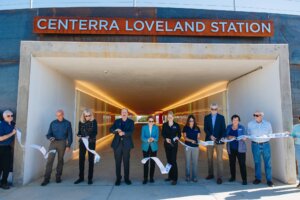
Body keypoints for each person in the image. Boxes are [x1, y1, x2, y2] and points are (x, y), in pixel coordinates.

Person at [41, 109, 73, 186]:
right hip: (53, 143)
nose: (58, 117)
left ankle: (58, 177)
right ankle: (46, 179)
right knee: (50, 160)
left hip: (62, 143)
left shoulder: (68, 123)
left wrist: (68, 145)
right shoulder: (53, 123)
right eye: (57, 115)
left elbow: (70, 135)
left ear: (63, 114)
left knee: (60, 160)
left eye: (60, 115)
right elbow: (48, 134)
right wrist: (50, 137)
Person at [247, 111, 274, 187]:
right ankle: (258, 179)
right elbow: (248, 134)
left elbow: (270, 134)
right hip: (255, 145)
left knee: (268, 163)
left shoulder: (268, 124)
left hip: (265, 145)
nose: (256, 116)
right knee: (257, 162)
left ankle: (269, 180)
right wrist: (253, 137)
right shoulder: (250, 124)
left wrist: (265, 137)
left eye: (257, 115)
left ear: (262, 116)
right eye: (254, 115)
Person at [110, 108, 134, 186]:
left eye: (125, 112)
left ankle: (126, 178)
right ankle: (118, 179)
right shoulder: (117, 121)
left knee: (126, 162)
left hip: (127, 145)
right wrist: (115, 130)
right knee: (118, 162)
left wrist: (123, 133)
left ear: (127, 113)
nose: (124, 113)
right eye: (122, 112)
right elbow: (111, 129)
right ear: (121, 113)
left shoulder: (131, 122)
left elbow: (131, 132)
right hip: (117, 145)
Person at [204, 103, 226, 184]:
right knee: (209, 158)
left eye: (215, 109)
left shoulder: (221, 117)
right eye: (212, 109)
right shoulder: (206, 117)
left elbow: (224, 129)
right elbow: (205, 129)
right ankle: (210, 174)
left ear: (217, 109)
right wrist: (210, 136)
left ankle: (219, 177)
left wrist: (220, 138)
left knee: (220, 159)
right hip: (209, 140)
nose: (214, 111)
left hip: (219, 141)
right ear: (210, 109)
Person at [74, 109, 98, 185]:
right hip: (82, 143)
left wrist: (88, 136)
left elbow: (95, 132)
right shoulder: (81, 122)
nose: (87, 117)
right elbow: (79, 132)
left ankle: (90, 178)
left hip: (91, 143)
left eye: (89, 115)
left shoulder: (94, 121)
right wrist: (78, 135)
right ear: (83, 115)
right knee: (81, 160)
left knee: (91, 160)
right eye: (86, 115)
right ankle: (81, 178)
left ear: (91, 115)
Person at [226, 114, 247, 185]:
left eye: (237, 120)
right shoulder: (228, 127)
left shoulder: (242, 127)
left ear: (239, 121)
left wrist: (244, 138)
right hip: (231, 149)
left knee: (242, 164)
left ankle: (244, 179)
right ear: (232, 121)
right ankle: (233, 177)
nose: (235, 121)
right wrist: (230, 136)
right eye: (234, 120)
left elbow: (245, 136)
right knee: (232, 164)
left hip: (240, 149)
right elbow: (225, 136)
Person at [162, 111, 181, 185]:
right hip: (167, 145)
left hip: (174, 145)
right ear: (167, 117)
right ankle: (170, 176)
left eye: (171, 117)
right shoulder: (165, 125)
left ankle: (175, 178)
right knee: (169, 161)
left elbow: (179, 134)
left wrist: (177, 137)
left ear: (173, 117)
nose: (170, 118)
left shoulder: (176, 125)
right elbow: (163, 133)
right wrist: (166, 138)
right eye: (169, 117)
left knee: (173, 161)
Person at [141, 116, 159, 184]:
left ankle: (151, 178)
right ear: (147, 121)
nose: (151, 122)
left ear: (154, 122)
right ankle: (145, 178)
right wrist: (147, 140)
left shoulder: (156, 128)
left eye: (152, 121)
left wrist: (153, 139)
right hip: (145, 147)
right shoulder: (144, 128)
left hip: (154, 147)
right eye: (149, 121)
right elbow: (142, 137)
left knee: (152, 163)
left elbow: (157, 137)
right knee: (145, 163)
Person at [0, 110, 16, 190]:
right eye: (8, 116)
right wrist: (12, 134)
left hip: (8, 148)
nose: (11, 117)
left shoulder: (12, 124)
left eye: (11, 115)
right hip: (1, 147)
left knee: (6, 167)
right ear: (4, 117)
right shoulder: (1, 125)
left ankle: (4, 183)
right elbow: (0, 138)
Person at [182, 115, 201, 183]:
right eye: (190, 121)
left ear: (194, 121)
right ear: (188, 121)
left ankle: (194, 177)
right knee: (187, 162)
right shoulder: (185, 128)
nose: (191, 122)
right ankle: (187, 176)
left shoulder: (197, 128)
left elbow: (198, 137)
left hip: (195, 147)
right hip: (188, 146)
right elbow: (185, 137)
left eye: (192, 121)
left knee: (195, 163)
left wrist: (198, 140)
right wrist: (191, 141)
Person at [291, 116, 300, 188]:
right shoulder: (295, 127)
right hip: (298, 146)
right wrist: (292, 136)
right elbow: (292, 135)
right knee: (299, 164)